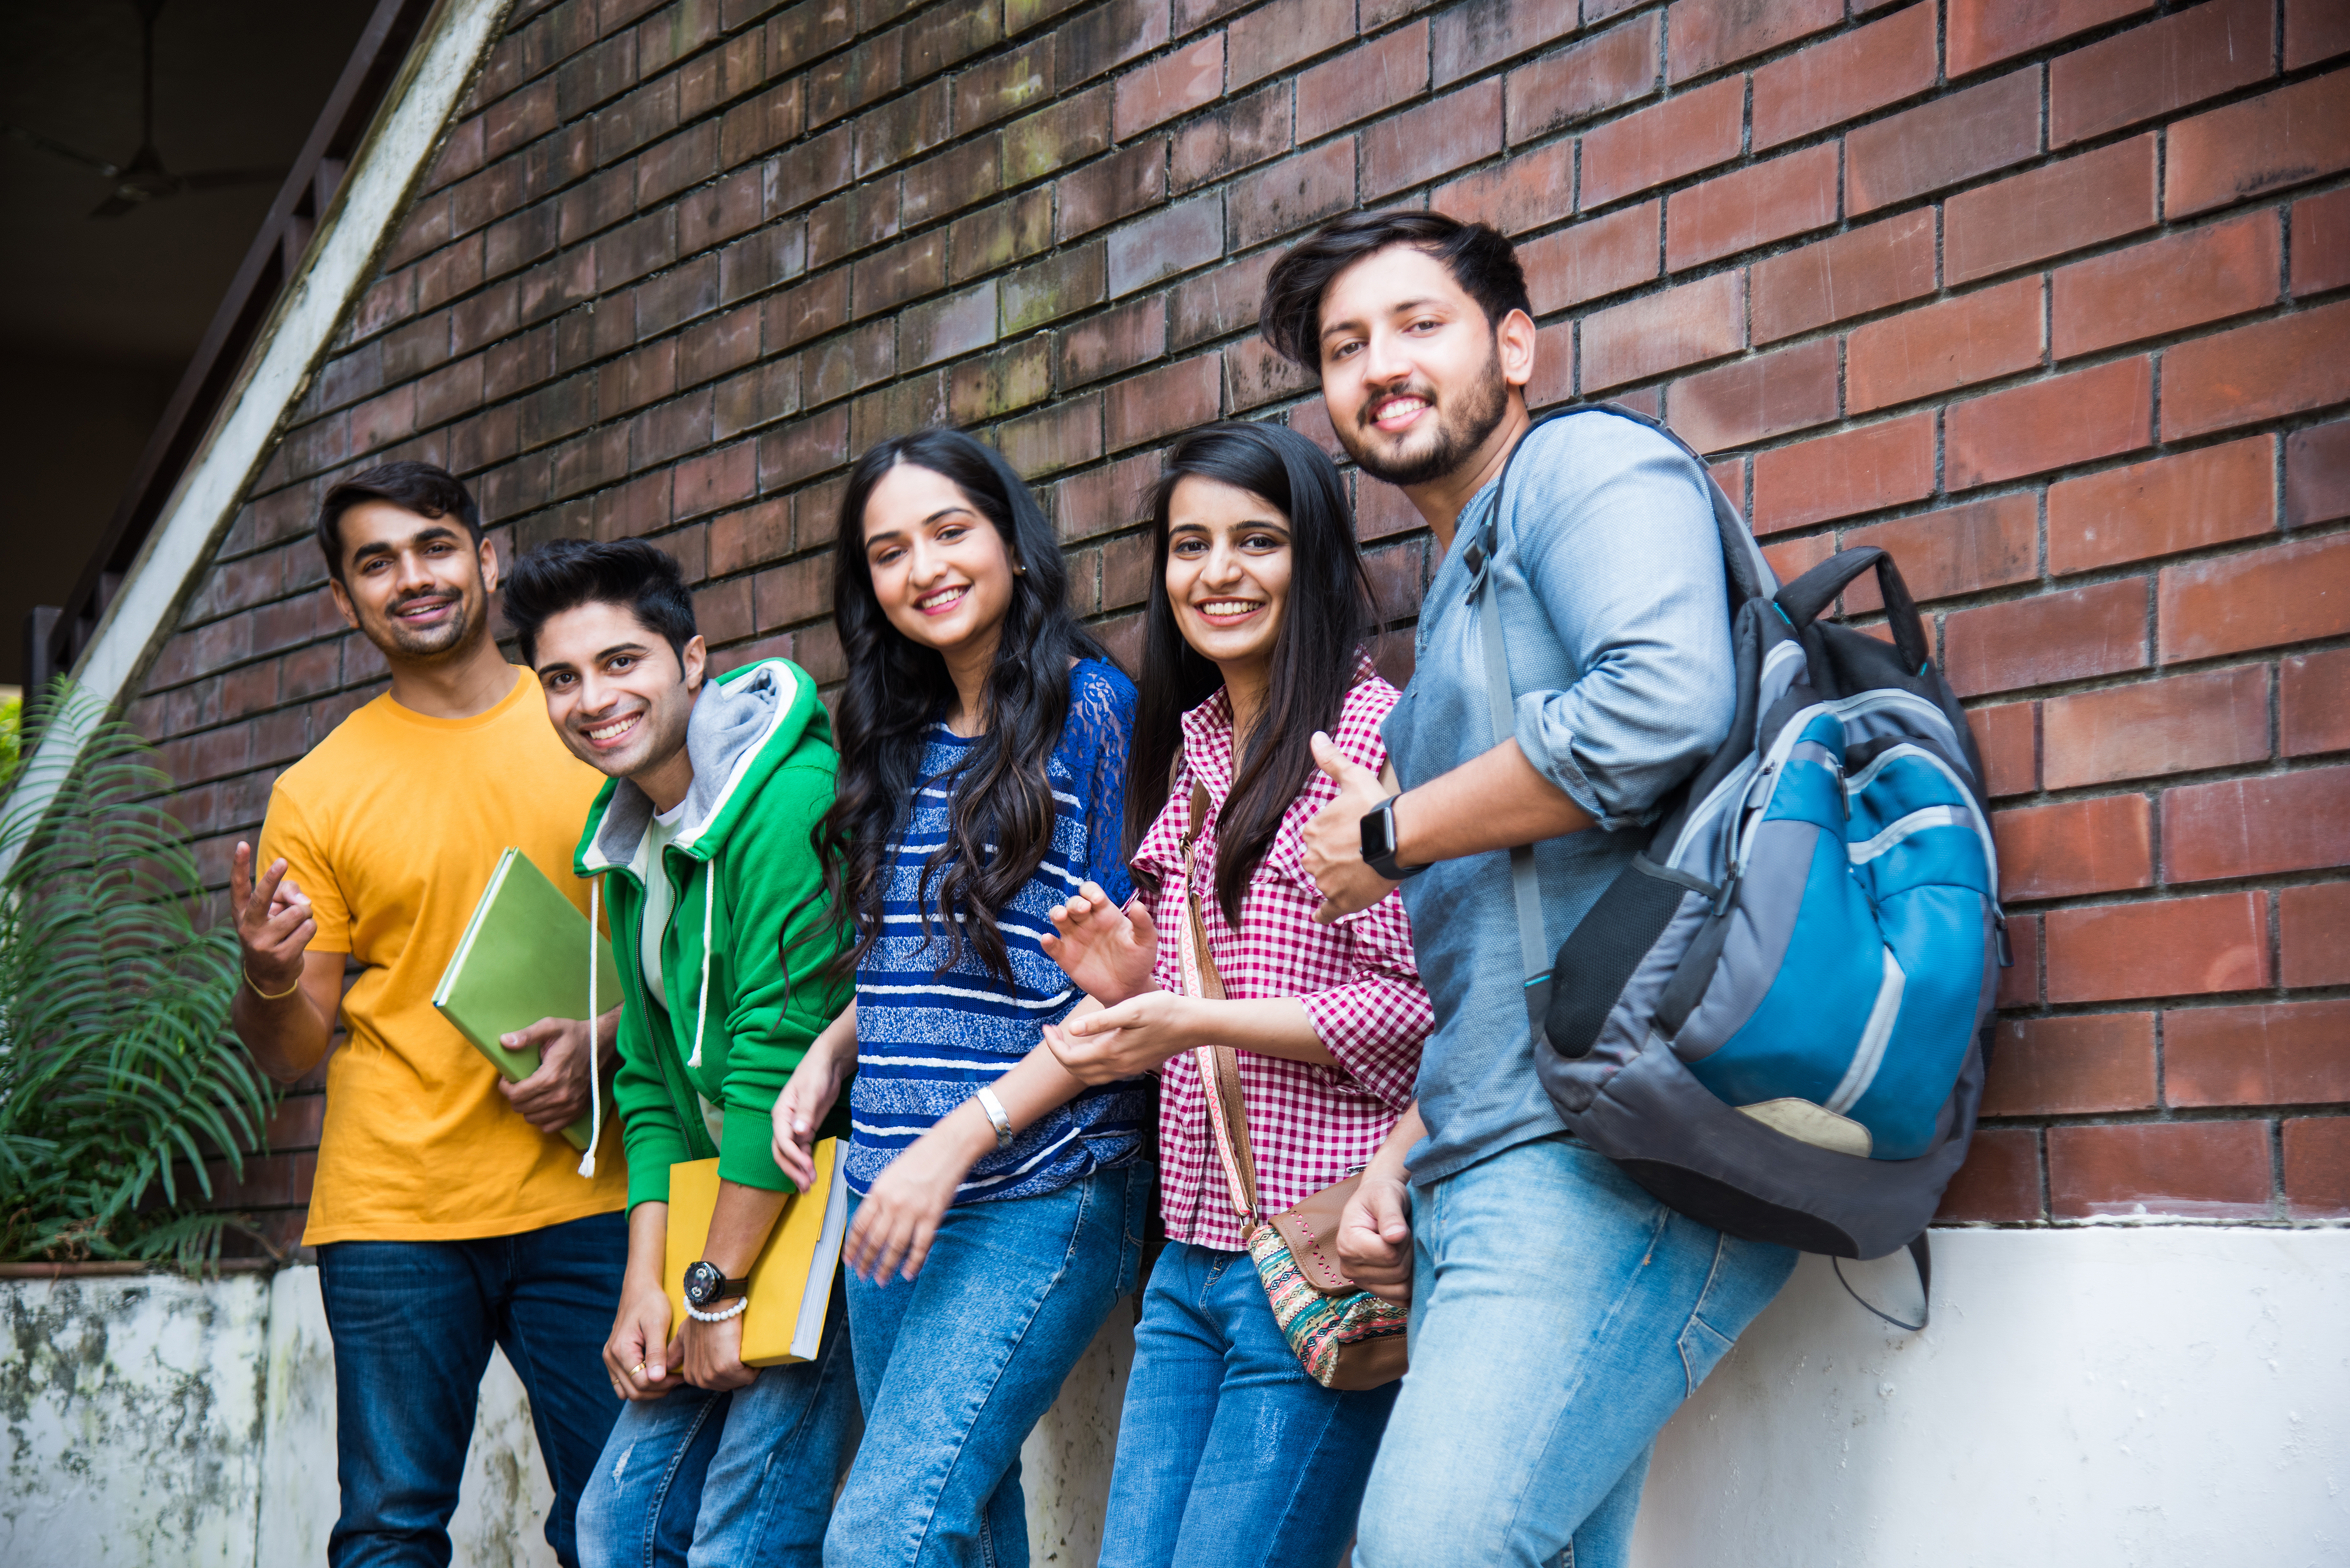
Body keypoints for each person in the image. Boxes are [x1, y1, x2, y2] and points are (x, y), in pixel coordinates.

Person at [1266, 211, 1801, 1566]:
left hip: (1609, 1148)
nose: (1381, 364)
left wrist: (1392, 831)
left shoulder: (1584, 465)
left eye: (1418, 325)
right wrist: (1408, 1148)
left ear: (1514, 347)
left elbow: (1663, 703)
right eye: (1344, 346)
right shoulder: (1460, 592)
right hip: (1504, 1150)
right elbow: (1509, 938)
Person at [1036, 421, 1434, 1568]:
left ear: (1314, 558)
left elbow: (1420, 1012)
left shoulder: (1373, 737)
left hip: (1321, 1250)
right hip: (1189, 1259)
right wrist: (1135, 983)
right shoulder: (1197, 747)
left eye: (1256, 541)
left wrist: (1195, 1018)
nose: (1217, 572)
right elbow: (1220, 988)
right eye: (1189, 545)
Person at [227, 462, 630, 1568]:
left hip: (594, 1184)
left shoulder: (597, 720)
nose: (413, 577)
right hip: (395, 1207)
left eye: (436, 546)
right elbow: (292, 1044)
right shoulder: (317, 790)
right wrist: (266, 976)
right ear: (343, 598)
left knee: (626, 1521)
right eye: (377, 562)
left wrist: (607, 1042)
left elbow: (698, 953)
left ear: (487, 559)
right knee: (390, 1529)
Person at [765, 427, 1152, 1568]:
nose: (923, 568)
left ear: (1013, 545)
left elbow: (1126, 987)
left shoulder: (1094, 710)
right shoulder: (895, 733)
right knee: (964, 1523)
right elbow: (930, 946)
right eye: (888, 552)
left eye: (949, 532)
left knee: (885, 1532)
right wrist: (834, 1049)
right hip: (891, 1182)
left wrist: (958, 1140)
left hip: (1040, 1182)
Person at [501, 538, 859, 1568]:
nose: (592, 699)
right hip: (726, 1220)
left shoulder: (789, 801)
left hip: (832, 1202)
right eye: (561, 678)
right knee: (617, 1523)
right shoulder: (627, 838)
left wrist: (713, 1288)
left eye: (621, 661)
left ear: (692, 659)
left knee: (742, 1538)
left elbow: (773, 1058)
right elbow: (650, 1081)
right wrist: (645, 1285)